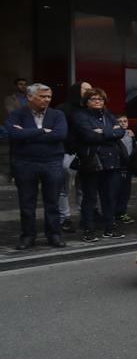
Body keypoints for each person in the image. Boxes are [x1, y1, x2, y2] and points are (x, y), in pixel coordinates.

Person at [5, 83, 67, 249]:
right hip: (25, 163)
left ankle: (54, 234)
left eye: (49, 97)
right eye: (42, 96)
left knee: (52, 201)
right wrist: (43, 131)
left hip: (52, 162)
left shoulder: (57, 114)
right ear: (30, 97)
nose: (47, 100)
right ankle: (28, 236)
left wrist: (27, 134)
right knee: (26, 202)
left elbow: (60, 134)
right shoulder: (17, 114)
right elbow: (13, 134)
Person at [71, 88, 127, 242]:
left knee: (109, 197)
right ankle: (88, 229)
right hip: (92, 162)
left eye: (100, 99)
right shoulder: (80, 115)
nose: (97, 101)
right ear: (86, 101)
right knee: (89, 198)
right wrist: (110, 132)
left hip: (112, 162)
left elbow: (121, 132)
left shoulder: (108, 115)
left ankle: (109, 228)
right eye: (93, 99)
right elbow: (87, 135)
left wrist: (101, 131)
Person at [56, 81, 90, 233]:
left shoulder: (89, 109)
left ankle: (85, 215)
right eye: (86, 89)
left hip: (86, 154)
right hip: (68, 153)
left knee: (83, 187)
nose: (90, 91)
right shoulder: (64, 109)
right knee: (64, 188)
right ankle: (65, 218)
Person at [114, 115, 135, 224]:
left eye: (125, 121)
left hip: (128, 166)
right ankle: (114, 213)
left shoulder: (130, 134)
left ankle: (122, 212)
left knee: (125, 191)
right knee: (115, 191)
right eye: (120, 121)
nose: (123, 123)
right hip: (117, 166)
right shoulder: (115, 135)